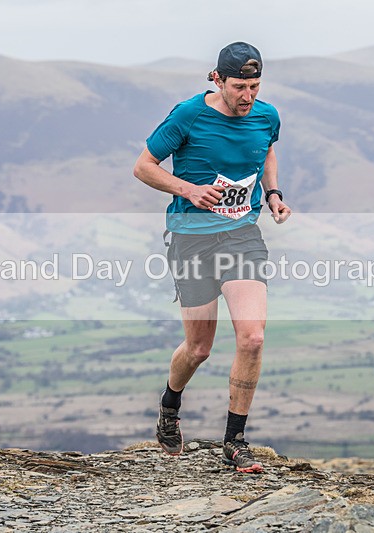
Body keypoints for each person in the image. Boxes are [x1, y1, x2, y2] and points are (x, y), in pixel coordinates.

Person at [133, 42, 291, 473]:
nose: (248, 96)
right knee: (199, 347)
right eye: (239, 86)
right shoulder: (188, 115)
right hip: (191, 240)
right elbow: (144, 166)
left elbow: (267, 150)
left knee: (252, 337)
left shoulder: (267, 116)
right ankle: (170, 403)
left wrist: (273, 194)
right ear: (218, 80)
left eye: (255, 87)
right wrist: (189, 190)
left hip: (241, 235)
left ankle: (235, 441)